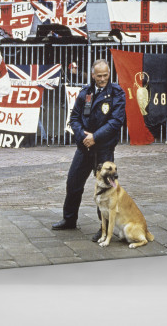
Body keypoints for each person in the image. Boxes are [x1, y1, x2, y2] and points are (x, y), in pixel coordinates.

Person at [52, 59, 126, 242]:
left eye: (105, 75)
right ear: (92, 75)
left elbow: (116, 122)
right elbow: (74, 117)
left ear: (109, 73)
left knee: (106, 190)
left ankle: (104, 229)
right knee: (73, 182)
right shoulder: (86, 92)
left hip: (104, 148)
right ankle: (69, 220)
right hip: (84, 146)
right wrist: (82, 135)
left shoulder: (117, 93)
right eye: (99, 76)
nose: (102, 79)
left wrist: (95, 137)